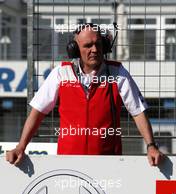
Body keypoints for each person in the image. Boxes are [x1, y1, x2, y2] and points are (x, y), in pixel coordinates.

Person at [6, 23, 163, 166]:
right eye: (88, 46)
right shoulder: (61, 73)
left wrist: (151, 146)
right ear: (75, 49)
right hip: (68, 164)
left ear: (105, 45)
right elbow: (37, 112)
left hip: (109, 163)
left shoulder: (118, 72)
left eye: (98, 44)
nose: (94, 50)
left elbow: (138, 111)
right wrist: (21, 147)